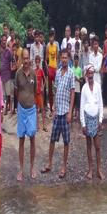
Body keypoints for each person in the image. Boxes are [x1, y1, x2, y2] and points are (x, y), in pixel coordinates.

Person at [41, 49, 75, 179]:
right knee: (52, 139)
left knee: (66, 141)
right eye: (62, 58)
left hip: (66, 111)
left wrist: (70, 112)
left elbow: (72, 93)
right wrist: (53, 108)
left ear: (69, 59)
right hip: (57, 111)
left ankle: (64, 167)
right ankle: (49, 163)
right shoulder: (58, 73)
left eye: (66, 57)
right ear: (60, 59)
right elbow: (55, 91)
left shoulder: (71, 74)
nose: (64, 59)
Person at [13, 49, 38, 182]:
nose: (27, 61)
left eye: (28, 58)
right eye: (24, 58)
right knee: (21, 139)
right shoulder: (18, 73)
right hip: (22, 110)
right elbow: (16, 91)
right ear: (21, 59)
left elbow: (35, 91)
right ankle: (21, 169)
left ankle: (32, 168)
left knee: (32, 138)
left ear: (30, 59)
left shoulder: (34, 73)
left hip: (32, 110)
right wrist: (21, 102)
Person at [80, 64, 104, 180]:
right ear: (86, 74)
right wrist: (83, 124)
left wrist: (100, 120)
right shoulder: (84, 88)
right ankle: (90, 169)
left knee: (98, 146)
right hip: (87, 117)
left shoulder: (98, 87)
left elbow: (101, 104)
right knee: (89, 145)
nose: (90, 75)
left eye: (92, 73)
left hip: (95, 118)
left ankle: (99, 169)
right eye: (89, 73)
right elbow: (81, 107)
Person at [0, 34, 15, 115]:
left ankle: (9, 109)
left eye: (5, 40)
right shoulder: (0, 52)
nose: (4, 42)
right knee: (3, 94)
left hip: (8, 75)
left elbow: (13, 60)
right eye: (3, 40)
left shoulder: (9, 51)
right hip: (1, 76)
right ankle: (4, 108)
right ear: (1, 42)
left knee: (9, 94)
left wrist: (12, 68)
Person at [46, 28, 59, 115]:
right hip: (49, 68)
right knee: (50, 90)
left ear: (54, 36)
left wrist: (57, 68)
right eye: (50, 37)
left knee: (56, 89)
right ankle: (51, 109)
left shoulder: (56, 45)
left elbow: (57, 58)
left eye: (52, 36)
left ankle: (56, 107)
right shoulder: (47, 46)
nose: (51, 38)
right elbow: (46, 59)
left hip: (55, 69)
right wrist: (47, 68)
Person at [34, 55, 47, 132]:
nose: (37, 63)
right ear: (35, 62)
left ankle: (44, 125)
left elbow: (45, 80)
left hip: (40, 93)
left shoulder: (41, 70)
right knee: (36, 109)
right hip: (35, 93)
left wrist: (43, 87)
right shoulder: (34, 71)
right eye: (36, 61)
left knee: (42, 109)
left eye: (38, 61)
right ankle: (37, 126)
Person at [72, 54, 82, 123]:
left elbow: (81, 81)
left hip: (78, 89)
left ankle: (77, 117)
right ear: (73, 60)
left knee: (77, 104)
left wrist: (77, 79)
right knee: (72, 103)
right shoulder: (71, 69)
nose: (76, 61)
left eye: (77, 60)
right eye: (75, 59)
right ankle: (72, 116)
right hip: (72, 89)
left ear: (78, 61)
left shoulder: (80, 69)